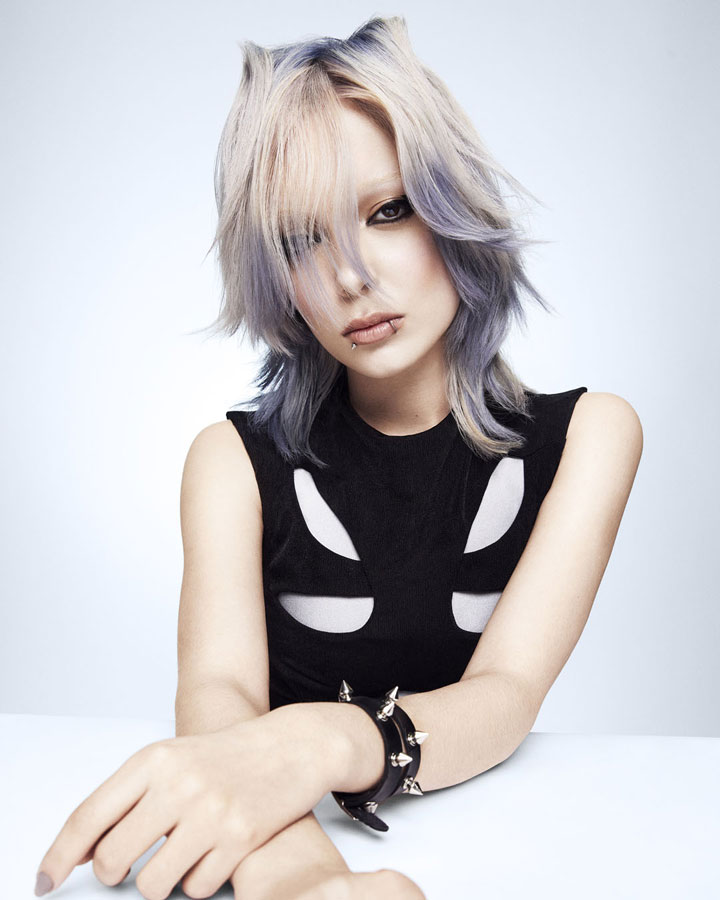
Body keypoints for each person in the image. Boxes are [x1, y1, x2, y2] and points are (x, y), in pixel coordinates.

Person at [34, 15, 643, 900]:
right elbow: (218, 698)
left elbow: (507, 693)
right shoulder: (230, 461)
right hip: (294, 827)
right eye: (299, 240)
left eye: (387, 211)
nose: (350, 277)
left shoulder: (591, 434)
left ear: (452, 208)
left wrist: (321, 741)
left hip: (505, 835)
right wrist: (299, 877)